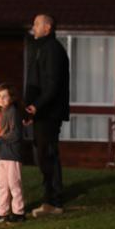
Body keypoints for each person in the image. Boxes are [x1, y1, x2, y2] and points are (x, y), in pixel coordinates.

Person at [24, 14, 70, 218]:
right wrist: (29, 108)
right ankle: (48, 198)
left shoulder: (53, 50)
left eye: (36, 24)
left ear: (48, 27)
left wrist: (37, 106)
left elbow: (52, 84)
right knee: (41, 155)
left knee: (48, 154)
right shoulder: (39, 48)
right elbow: (35, 81)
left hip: (49, 112)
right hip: (40, 112)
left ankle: (55, 200)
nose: (33, 27)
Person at [0, 83, 26, 223]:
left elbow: (16, 134)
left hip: (12, 154)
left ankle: (18, 212)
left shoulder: (13, 112)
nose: (1, 99)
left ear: (11, 97)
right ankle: (2, 212)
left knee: (14, 184)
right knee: (2, 185)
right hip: (1, 155)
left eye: (5, 96)